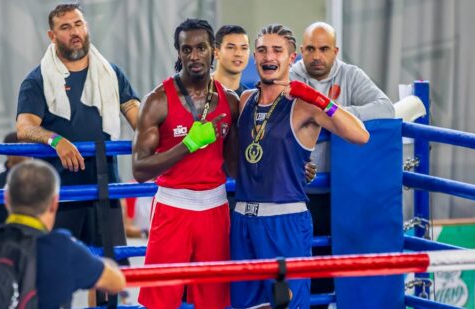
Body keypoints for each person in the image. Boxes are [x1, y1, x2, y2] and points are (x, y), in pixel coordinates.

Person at [231, 24, 370, 308]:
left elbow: (360, 135)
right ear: (255, 58)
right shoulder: (245, 100)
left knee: (289, 305)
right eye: (262, 50)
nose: (269, 56)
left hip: (284, 222)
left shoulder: (304, 105)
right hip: (243, 219)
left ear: (291, 58)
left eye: (277, 51)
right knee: (246, 306)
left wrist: (322, 100)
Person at [132, 18, 238, 309]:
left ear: (213, 51)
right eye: (186, 49)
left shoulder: (230, 102)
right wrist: (188, 146)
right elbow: (139, 170)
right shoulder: (157, 101)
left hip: (215, 210)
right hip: (173, 209)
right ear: (178, 52)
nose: (194, 56)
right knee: (159, 301)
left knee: (214, 301)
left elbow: (238, 166)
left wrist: (291, 164)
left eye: (200, 48)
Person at [15, 3, 139, 250]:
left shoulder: (111, 74)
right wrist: (56, 140)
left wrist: (172, 134)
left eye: (78, 24)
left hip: (105, 185)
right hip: (58, 192)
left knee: (105, 272)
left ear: (86, 27)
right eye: (65, 27)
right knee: (56, 272)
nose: (74, 32)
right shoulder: (37, 79)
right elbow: (24, 127)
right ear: (52, 35)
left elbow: (139, 119)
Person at [290, 22, 394, 302]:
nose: (316, 56)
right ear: (301, 50)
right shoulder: (290, 76)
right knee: (292, 272)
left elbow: (385, 107)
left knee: (325, 273)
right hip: (294, 194)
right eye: (310, 49)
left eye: (324, 49)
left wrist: (335, 115)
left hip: (337, 195)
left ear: (335, 51)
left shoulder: (350, 75)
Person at [0, 159, 125, 308]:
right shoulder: (62, 248)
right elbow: (117, 282)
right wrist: (99, 260)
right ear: (54, 203)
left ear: (6, 199)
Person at [212, 25, 250, 96]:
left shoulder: (249, 100)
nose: (238, 54)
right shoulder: (197, 90)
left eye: (244, 48)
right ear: (216, 53)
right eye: (231, 47)